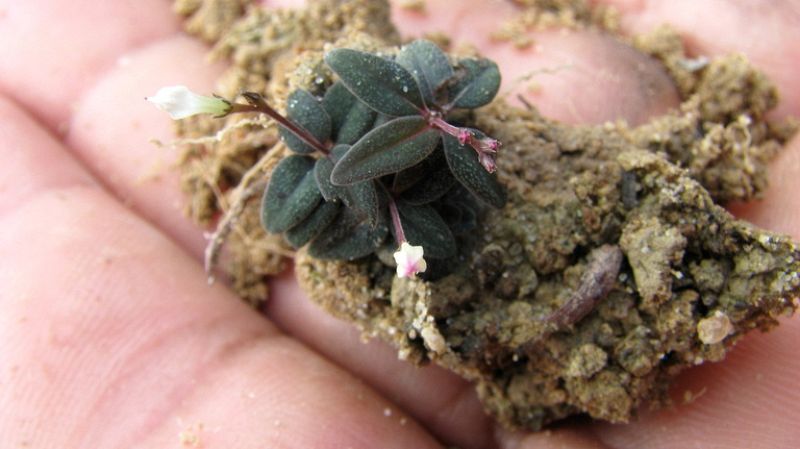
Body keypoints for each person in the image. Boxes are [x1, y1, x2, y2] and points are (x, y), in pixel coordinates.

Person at [1, 1, 798, 447]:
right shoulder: (335, 145)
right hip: (371, 176)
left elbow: (453, 114)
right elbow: (323, 175)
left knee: (412, 182)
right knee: (353, 182)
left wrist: (440, 152)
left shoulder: (435, 122)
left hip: (412, 170)